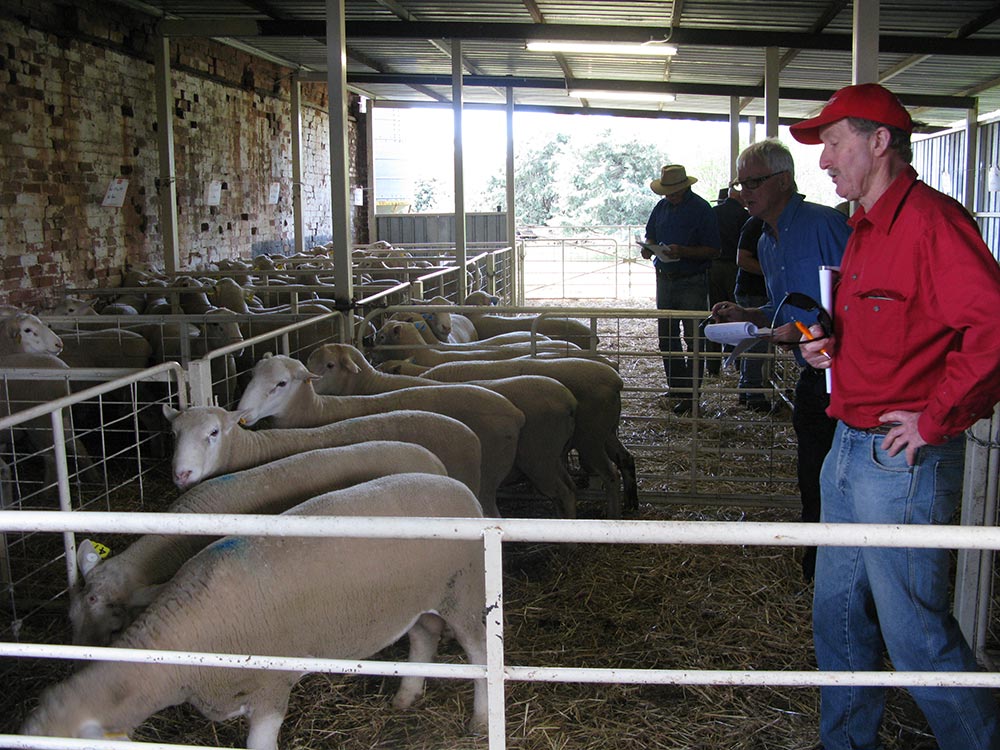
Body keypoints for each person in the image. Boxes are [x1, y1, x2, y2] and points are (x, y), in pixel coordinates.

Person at [792, 82, 1000, 750]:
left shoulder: (933, 223)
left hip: (898, 458)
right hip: (848, 449)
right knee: (839, 618)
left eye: (832, 142)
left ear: (879, 141)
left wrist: (938, 420)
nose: (824, 160)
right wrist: (829, 347)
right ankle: (845, 742)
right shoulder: (862, 229)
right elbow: (892, 328)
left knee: (915, 634)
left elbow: (994, 326)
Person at [709, 139, 850, 581]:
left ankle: (846, 567)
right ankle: (820, 565)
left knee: (848, 480)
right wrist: (750, 316)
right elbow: (784, 308)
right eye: (740, 183)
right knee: (813, 474)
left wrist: (809, 331)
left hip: (853, 377)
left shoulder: (826, 224)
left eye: (754, 181)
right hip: (813, 378)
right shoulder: (767, 241)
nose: (743, 191)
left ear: (784, 180)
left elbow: (858, 301)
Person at [640, 164, 721, 416]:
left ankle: (691, 395)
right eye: (667, 191)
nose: (670, 195)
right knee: (667, 337)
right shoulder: (661, 207)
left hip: (691, 278)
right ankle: (678, 386)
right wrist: (649, 247)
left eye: (674, 191)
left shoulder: (701, 210)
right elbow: (650, 234)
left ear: (685, 187)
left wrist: (682, 251)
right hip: (665, 276)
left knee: (693, 338)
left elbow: (713, 250)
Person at [705, 187, 748, 376]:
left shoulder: (713, 213)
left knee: (714, 314)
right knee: (735, 314)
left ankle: (712, 366)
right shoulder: (745, 216)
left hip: (713, 267)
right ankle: (736, 361)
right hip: (734, 268)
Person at [733, 214, 770, 411]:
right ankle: (752, 391)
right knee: (756, 343)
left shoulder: (762, 223)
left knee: (753, 342)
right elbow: (743, 259)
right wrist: (773, 272)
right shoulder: (756, 223)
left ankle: (747, 388)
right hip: (753, 291)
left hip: (756, 290)